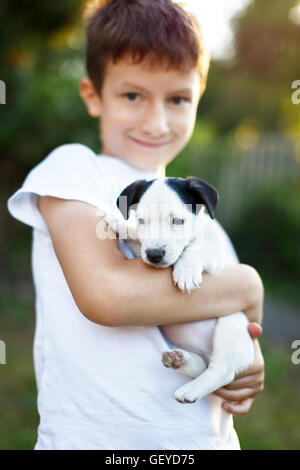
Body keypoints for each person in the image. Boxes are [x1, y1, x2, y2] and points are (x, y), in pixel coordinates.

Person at [7, 0, 264, 450]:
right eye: (132, 95)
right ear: (92, 95)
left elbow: (237, 323)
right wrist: (247, 284)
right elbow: (109, 297)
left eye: (178, 99)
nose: (155, 121)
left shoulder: (201, 218)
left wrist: (249, 363)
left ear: (199, 98)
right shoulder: (73, 171)